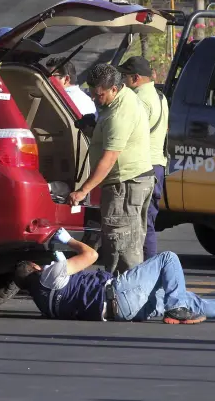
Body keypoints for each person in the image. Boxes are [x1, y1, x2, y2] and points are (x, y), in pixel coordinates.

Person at [14, 228, 215, 324]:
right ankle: (176, 308)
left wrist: (63, 263)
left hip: (120, 312)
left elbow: (74, 289)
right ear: (35, 268)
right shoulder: (49, 275)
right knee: (168, 259)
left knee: (181, 296)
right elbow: (90, 255)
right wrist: (68, 239)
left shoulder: (43, 304)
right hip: (119, 292)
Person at [66, 64, 153, 275]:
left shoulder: (119, 114)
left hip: (125, 185)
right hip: (134, 181)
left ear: (114, 88)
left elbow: (109, 158)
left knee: (122, 249)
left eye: (99, 95)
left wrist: (83, 190)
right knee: (129, 244)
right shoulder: (119, 99)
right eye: (92, 94)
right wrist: (94, 129)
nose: (95, 99)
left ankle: (125, 291)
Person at [118, 56, 168, 261]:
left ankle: (146, 268)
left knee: (140, 224)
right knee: (147, 222)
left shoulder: (138, 100)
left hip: (142, 168)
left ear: (136, 78)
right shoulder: (160, 96)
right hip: (157, 166)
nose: (122, 80)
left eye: (124, 76)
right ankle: (148, 267)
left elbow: (129, 133)